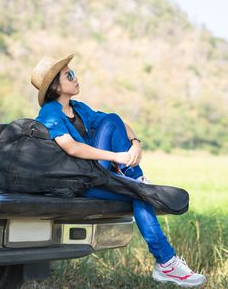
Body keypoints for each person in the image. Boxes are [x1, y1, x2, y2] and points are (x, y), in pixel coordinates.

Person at [31, 54, 206, 287]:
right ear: (55, 86)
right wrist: (115, 156)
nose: (76, 78)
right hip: (77, 182)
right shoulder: (50, 113)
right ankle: (166, 262)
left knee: (113, 122)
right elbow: (71, 147)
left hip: (96, 174)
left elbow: (118, 125)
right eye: (69, 75)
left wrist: (135, 143)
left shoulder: (79, 108)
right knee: (139, 191)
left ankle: (138, 184)